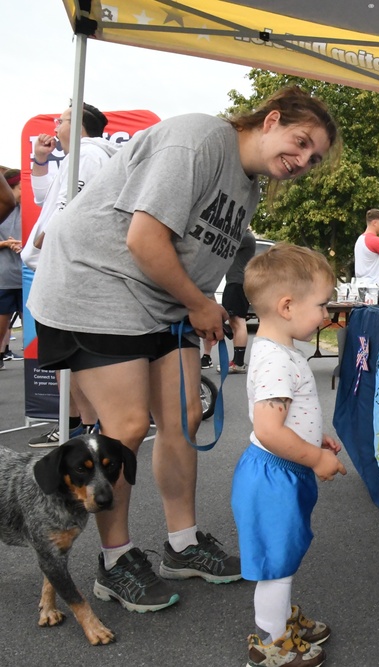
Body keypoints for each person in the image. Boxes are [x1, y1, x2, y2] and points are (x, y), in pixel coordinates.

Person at [26, 85, 340, 613]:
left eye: (313, 160)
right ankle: (115, 558)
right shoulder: (198, 140)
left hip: (162, 300)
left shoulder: (250, 187)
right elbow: (143, 239)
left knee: (186, 415)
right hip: (96, 284)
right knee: (125, 427)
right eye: (301, 141)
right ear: (271, 119)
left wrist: (235, 307)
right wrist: (199, 304)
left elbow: (216, 255)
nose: (302, 160)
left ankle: (183, 543)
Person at [232, 243, 346, 667]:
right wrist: (315, 460)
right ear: (286, 306)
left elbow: (286, 421)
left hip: (280, 470)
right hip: (273, 476)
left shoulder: (280, 353)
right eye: (321, 305)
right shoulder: (277, 360)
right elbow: (268, 428)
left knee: (285, 552)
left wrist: (314, 442)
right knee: (276, 562)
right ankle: (272, 643)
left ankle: (278, 622)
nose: (326, 315)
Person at [25, 102, 116, 446]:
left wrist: (44, 236)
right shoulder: (79, 157)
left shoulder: (89, 153)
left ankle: (88, 425)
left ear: (79, 125)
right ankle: (80, 425)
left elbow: (68, 205)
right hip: (60, 265)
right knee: (67, 356)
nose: (54, 124)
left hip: (66, 267)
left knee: (72, 353)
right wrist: (40, 159)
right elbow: (44, 196)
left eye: (61, 119)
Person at [218, 229, 257, 373]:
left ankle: (239, 363)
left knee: (238, 321)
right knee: (234, 322)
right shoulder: (242, 236)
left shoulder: (246, 237)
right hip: (234, 283)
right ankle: (236, 361)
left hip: (238, 283)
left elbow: (226, 243)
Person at [0, 169, 23, 369]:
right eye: (23, 186)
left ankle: (38, 374)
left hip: (26, 278)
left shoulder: (32, 209)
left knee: (33, 331)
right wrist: (5, 244)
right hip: (3, 279)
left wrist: (24, 244)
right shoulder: (3, 208)